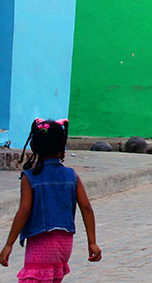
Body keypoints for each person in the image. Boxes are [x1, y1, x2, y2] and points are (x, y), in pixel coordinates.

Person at [1, 118, 102, 280]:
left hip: (41, 242)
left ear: (33, 146)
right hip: (65, 243)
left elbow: (24, 210)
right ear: (62, 146)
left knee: (34, 277)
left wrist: (8, 244)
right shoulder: (71, 176)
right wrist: (92, 242)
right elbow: (86, 207)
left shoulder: (30, 178)